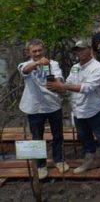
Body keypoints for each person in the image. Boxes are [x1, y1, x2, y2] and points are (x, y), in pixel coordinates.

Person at [47, 40, 100, 177]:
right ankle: (89, 161)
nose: (80, 52)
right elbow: (69, 83)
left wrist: (62, 86)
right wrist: (58, 88)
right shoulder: (75, 67)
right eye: (77, 50)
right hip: (78, 111)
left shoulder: (97, 67)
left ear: (90, 49)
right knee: (84, 137)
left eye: (82, 49)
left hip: (94, 110)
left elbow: (88, 88)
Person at [18, 39, 68, 179]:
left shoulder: (53, 64)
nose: (38, 53)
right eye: (34, 51)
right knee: (37, 137)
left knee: (58, 135)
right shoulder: (24, 64)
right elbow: (25, 71)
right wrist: (38, 63)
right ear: (29, 52)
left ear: (44, 50)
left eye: (40, 50)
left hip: (53, 105)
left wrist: (60, 84)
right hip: (34, 107)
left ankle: (59, 160)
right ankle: (41, 166)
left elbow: (59, 78)